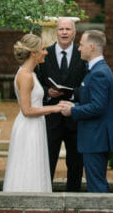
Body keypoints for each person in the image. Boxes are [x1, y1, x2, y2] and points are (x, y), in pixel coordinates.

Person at [3, 33, 67, 192]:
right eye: (43, 49)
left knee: (36, 165)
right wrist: (55, 108)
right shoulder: (25, 76)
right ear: (33, 53)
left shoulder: (31, 73)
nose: (46, 52)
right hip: (28, 127)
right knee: (28, 165)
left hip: (36, 125)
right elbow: (27, 110)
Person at [62, 30, 113, 193]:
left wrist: (73, 110)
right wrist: (73, 103)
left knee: (96, 185)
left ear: (91, 47)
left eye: (81, 45)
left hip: (95, 138)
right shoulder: (96, 70)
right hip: (94, 137)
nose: (79, 49)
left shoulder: (99, 72)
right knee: (96, 181)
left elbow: (98, 106)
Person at [36, 17, 87, 191]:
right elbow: (35, 82)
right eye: (61, 29)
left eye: (68, 29)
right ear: (56, 32)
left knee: (75, 163)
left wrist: (74, 94)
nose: (64, 32)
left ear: (74, 32)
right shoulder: (45, 54)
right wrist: (47, 92)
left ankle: (73, 200)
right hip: (51, 119)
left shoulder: (83, 55)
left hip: (75, 118)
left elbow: (88, 84)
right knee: (47, 161)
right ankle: (45, 196)